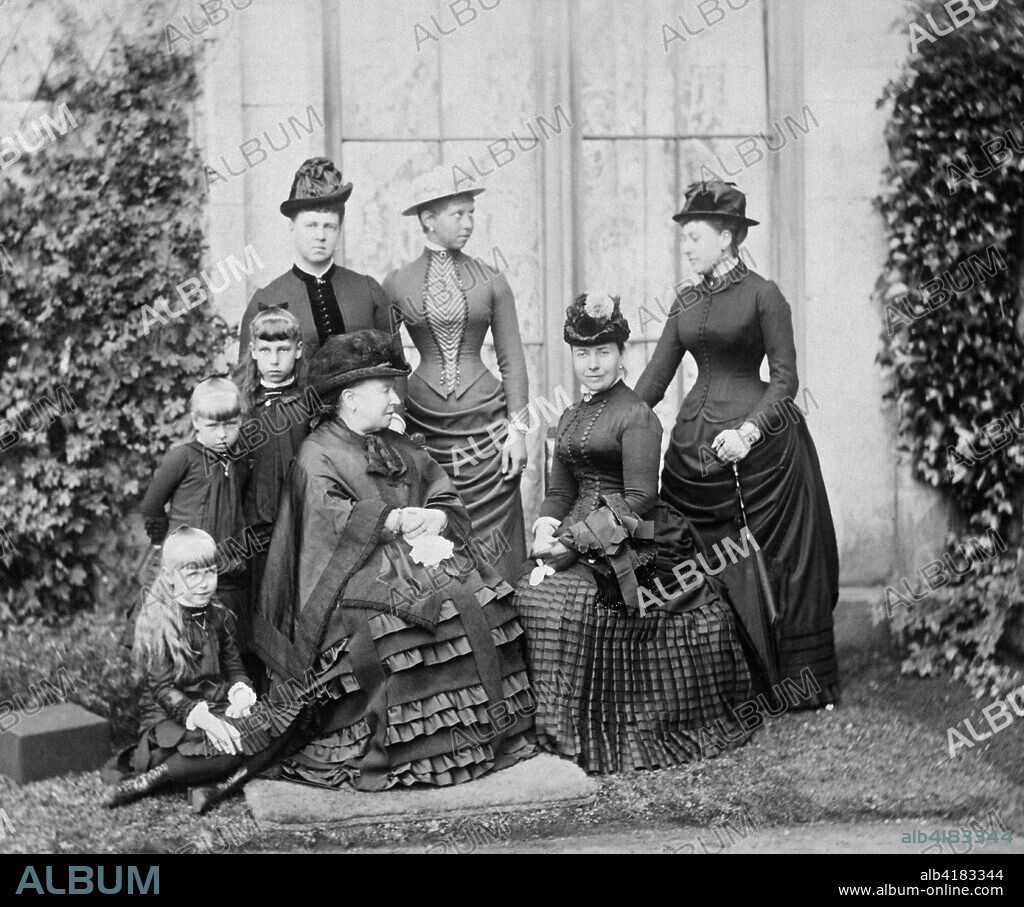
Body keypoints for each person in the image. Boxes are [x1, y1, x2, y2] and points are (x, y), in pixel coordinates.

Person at [252, 330, 534, 791]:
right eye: (383, 388)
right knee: (385, 629)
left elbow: (442, 491)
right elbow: (330, 523)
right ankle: (394, 749)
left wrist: (437, 517)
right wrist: (395, 520)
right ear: (349, 399)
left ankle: (486, 734)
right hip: (350, 575)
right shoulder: (316, 454)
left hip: (425, 562)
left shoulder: (400, 444)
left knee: (475, 599)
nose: (394, 398)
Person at [513, 295, 752, 773]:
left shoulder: (638, 414)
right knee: (528, 596)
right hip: (577, 535)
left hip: (632, 538)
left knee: (569, 605)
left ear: (622, 354)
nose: (592, 363)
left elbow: (639, 498)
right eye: (583, 353)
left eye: (603, 352)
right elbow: (560, 487)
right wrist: (545, 521)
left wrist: (576, 540)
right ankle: (543, 728)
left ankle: (578, 734)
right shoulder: (571, 416)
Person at [634, 179, 840, 707]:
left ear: (726, 237)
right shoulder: (685, 299)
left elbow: (786, 379)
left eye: (695, 235)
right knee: (694, 555)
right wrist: (608, 421)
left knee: (771, 560)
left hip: (760, 449)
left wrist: (750, 432)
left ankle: (787, 679)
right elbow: (655, 379)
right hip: (692, 449)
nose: (686, 245)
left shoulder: (764, 294)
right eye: (685, 236)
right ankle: (713, 677)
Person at [382, 168, 528, 581]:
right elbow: (391, 363)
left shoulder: (491, 279)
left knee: (496, 547)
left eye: (471, 213)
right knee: (435, 538)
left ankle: (506, 634)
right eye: (458, 214)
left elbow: (513, 360)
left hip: (488, 429)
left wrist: (518, 431)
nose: (468, 223)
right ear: (428, 218)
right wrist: (394, 422)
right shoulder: (395, 284)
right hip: (425, 428)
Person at [105, 528, 303, 813]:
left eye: (210, 573)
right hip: (174, 720)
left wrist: (239, 695)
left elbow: (235, 667)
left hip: (219, 706)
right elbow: (163, 691)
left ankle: (216, 788)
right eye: (193, 574)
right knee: (228, 746)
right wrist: (205, 720)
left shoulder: (218, 616)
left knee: (285, 719)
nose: (204, 583)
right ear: (171, 578)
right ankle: (150, 781)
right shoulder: (159, 621)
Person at [237, 157, 400, 364]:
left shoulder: (368, 292)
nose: (320, 236)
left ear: (339, 230)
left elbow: (396, 366)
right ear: (292, 228)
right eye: (311, 225)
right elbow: (246, 379)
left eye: (329, 226)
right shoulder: (266, 300)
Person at [139, 377, 253, 654]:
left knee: (223, 637)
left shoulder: (240, 460)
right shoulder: (182, 458)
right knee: (180, 633)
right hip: (187, 561)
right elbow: (152, 504)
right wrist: (162, 541)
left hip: (224, 565)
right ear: (196, 421)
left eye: (230, 424)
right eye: (213, 426)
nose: (223, 434)